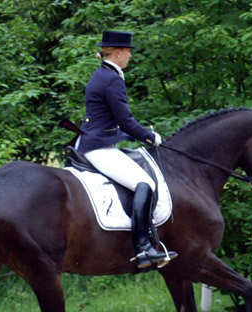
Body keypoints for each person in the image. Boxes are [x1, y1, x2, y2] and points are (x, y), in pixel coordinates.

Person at [76, 30, 177, 269]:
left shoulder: (104, 74)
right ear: (119, 52)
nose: (130, 56)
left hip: (97, 141)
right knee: (145, 184)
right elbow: (125, 121)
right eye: (129, 52)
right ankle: (143, 248)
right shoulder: (111, 79)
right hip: (98, 147)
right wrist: (150, 137)